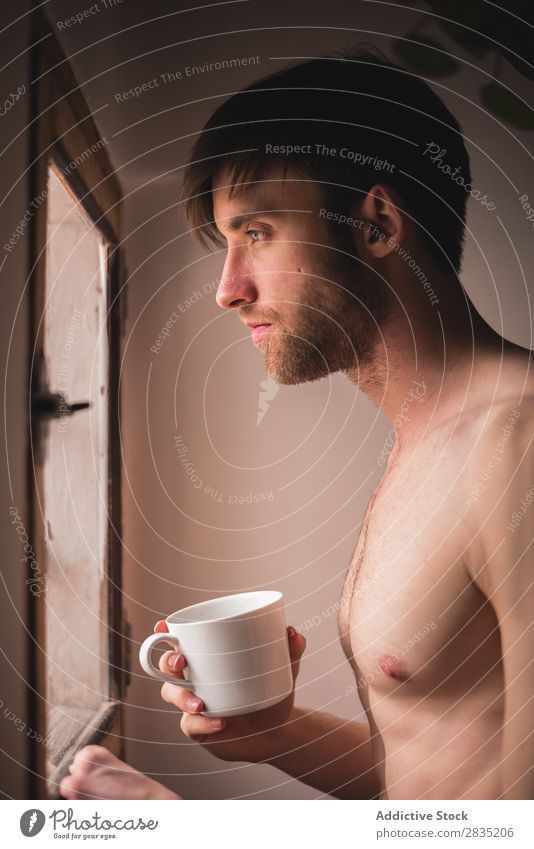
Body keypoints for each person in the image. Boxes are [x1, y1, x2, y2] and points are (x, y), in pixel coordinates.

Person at [60, 48, 534, 801]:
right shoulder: (433, 437)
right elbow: (434, 776)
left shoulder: (518, 440)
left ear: (376, 222)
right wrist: (274, 733)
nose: (226, 289)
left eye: (257, 231)